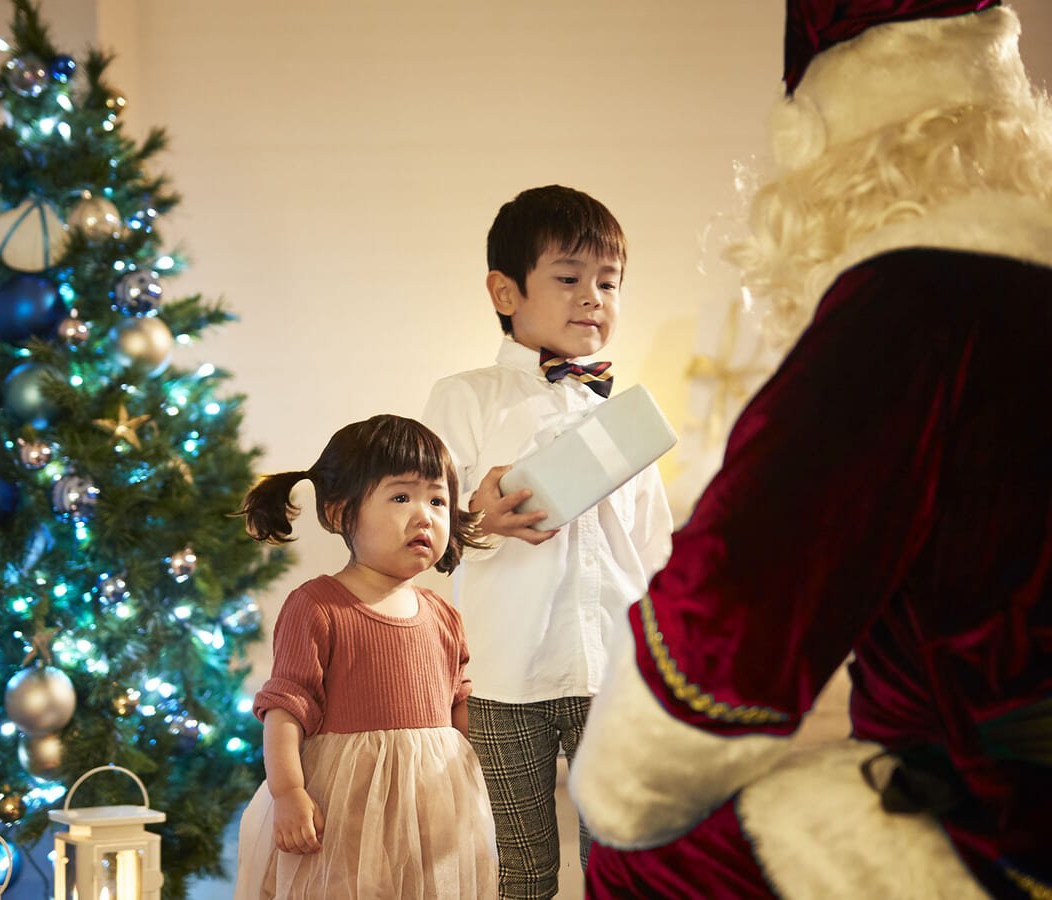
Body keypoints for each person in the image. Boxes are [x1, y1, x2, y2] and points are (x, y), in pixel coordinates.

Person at [570, 2, 1052, 898]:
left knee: (640, 858)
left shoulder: (906, 303)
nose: (593, 299)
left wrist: (617, 779)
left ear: (825, 148)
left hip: (1004, 828)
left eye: (605, 280)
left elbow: (708, 655)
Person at [422, 185, 674, 898]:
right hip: (503, 674)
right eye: (568, 279)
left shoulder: (633, 416)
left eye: (608, 282)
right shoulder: (464, 397)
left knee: (622, 861)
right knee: (520, 866)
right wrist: (478, 516)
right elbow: (426, 533)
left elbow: (656, 550)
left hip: (616, 670)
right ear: (506, 291)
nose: (591, 298)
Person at [232, 414, 498, 899]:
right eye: (401, 497)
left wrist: (473, 782)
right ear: (338, 513)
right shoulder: (318, 606)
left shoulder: (442, 615)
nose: (425, 516)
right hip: (344, 808)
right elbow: (284, 709)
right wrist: (288, 793)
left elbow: (458, 707)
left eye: (438, 500)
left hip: (432, 809)